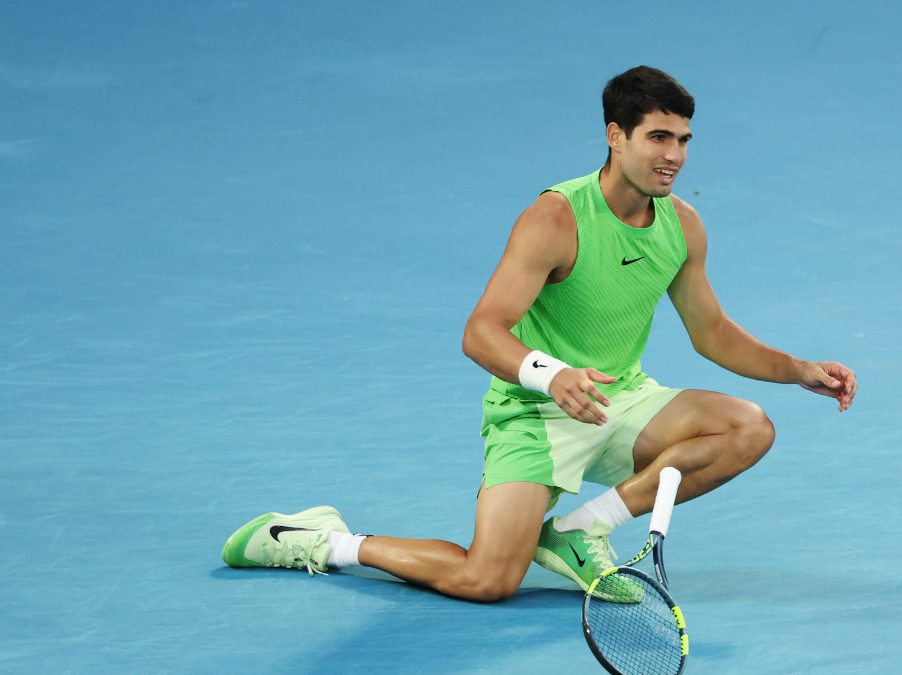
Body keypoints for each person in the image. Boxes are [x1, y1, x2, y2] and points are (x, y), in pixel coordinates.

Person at [221, 65, 857, 601]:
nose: (674, 157)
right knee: (487, 578)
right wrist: (552, 378)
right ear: (615, 135)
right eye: (658, 137)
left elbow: (711, 330)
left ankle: (581, 531)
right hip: (534, 410)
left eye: (684, 140)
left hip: (618, 399)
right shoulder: (556, 218)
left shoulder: (681, 225)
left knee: (747, 426)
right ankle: (317, 539)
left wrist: (798, 369)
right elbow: (481, 332)